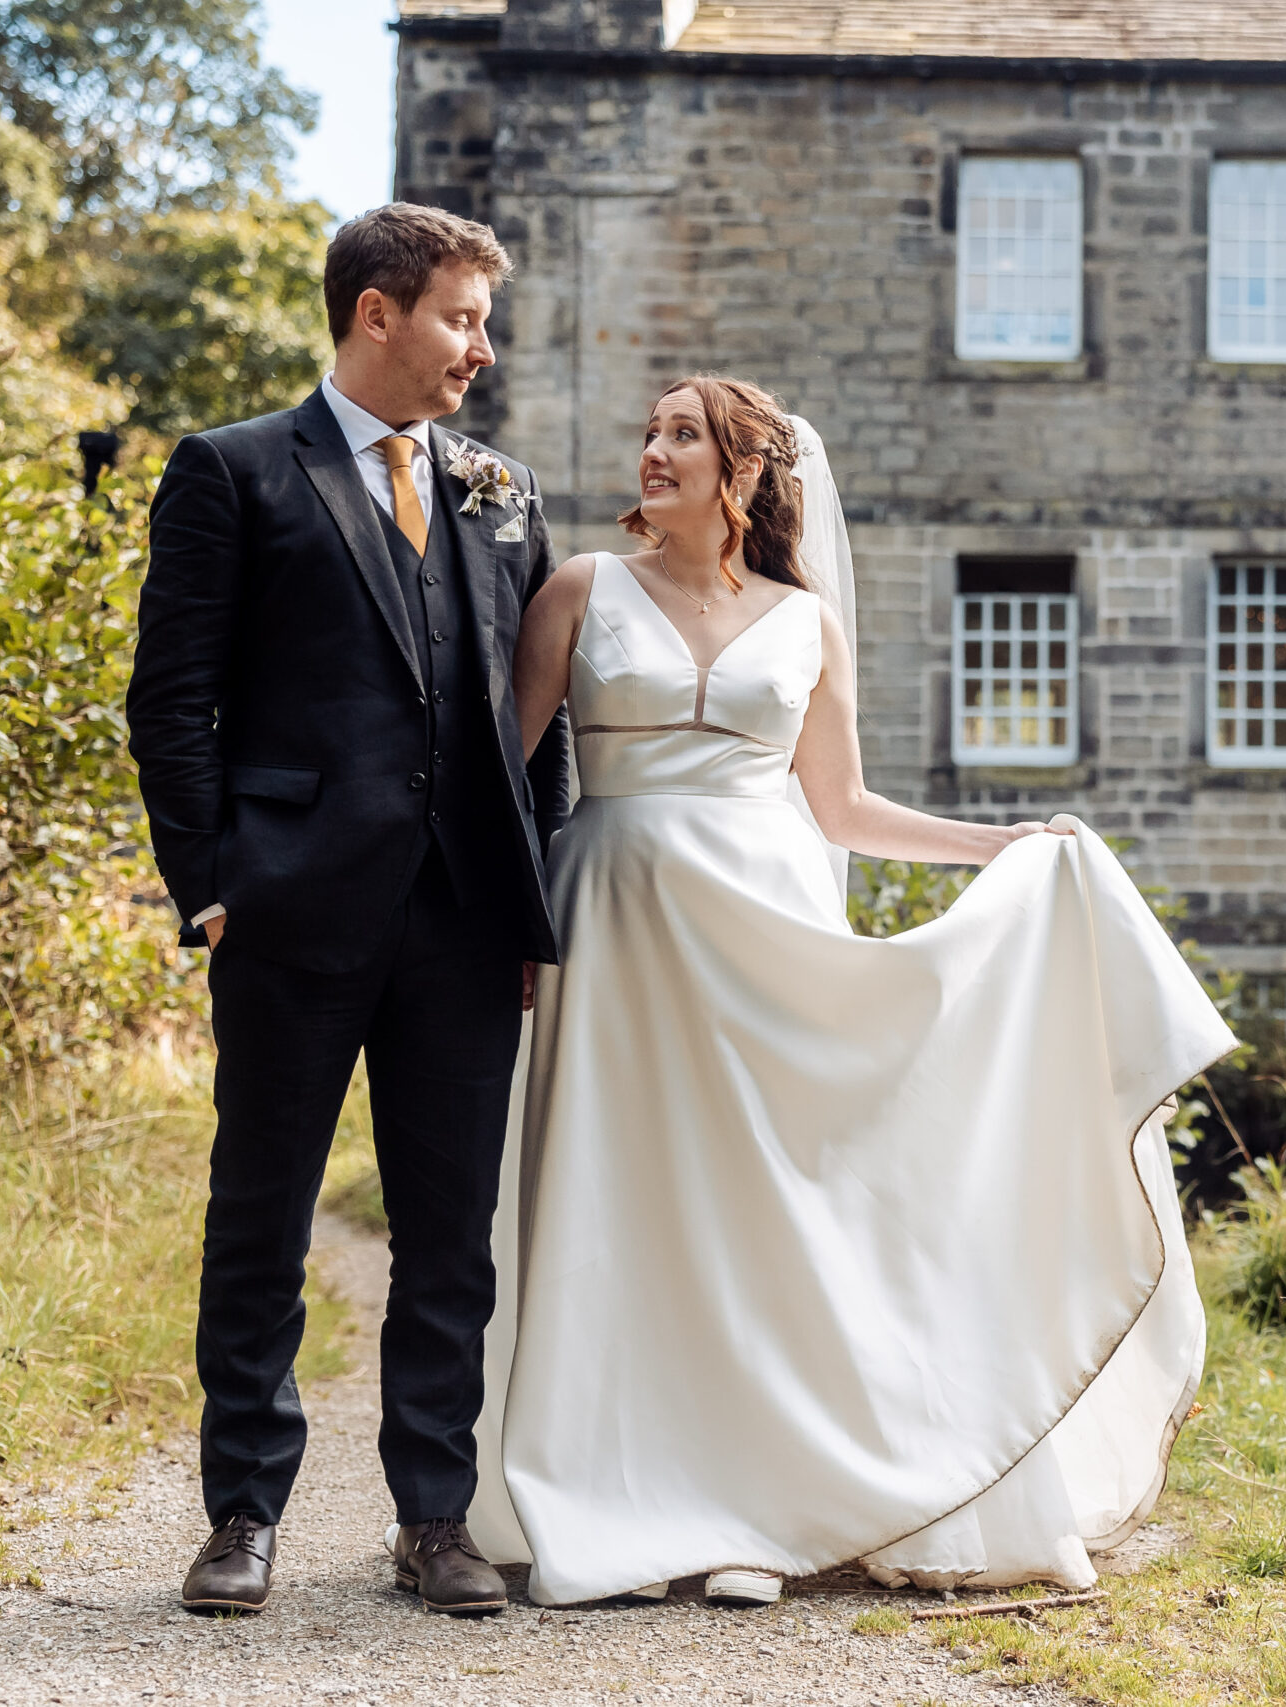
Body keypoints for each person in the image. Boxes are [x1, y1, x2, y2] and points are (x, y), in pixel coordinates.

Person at [467, 375, 1235, 1608]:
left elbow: (843, 810)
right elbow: (501, 781)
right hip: (609, 922)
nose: (653, 452)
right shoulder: (578, 591)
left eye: (684, 436)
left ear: (745, 473)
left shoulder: (803, 621)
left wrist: (1004, 851)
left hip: (770, 932)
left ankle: (764, 1516)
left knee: (770, 1208)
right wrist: (500, 927)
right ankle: (631, 1492)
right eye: (651, 432)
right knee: (628, 1203)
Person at [126, 202, 568, 1617]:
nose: (480, 350)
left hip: (460, 927)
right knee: (262, 1214)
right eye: (460, 317)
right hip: (287, 916)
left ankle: (434, 1515)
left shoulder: (501, 489)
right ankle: (243, 1508)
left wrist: (528, 891)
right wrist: (208, 888)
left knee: (451, 1230)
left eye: (483, 322)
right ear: (377, 312)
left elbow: (531, 721)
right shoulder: (234, 471)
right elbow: (169, 702)